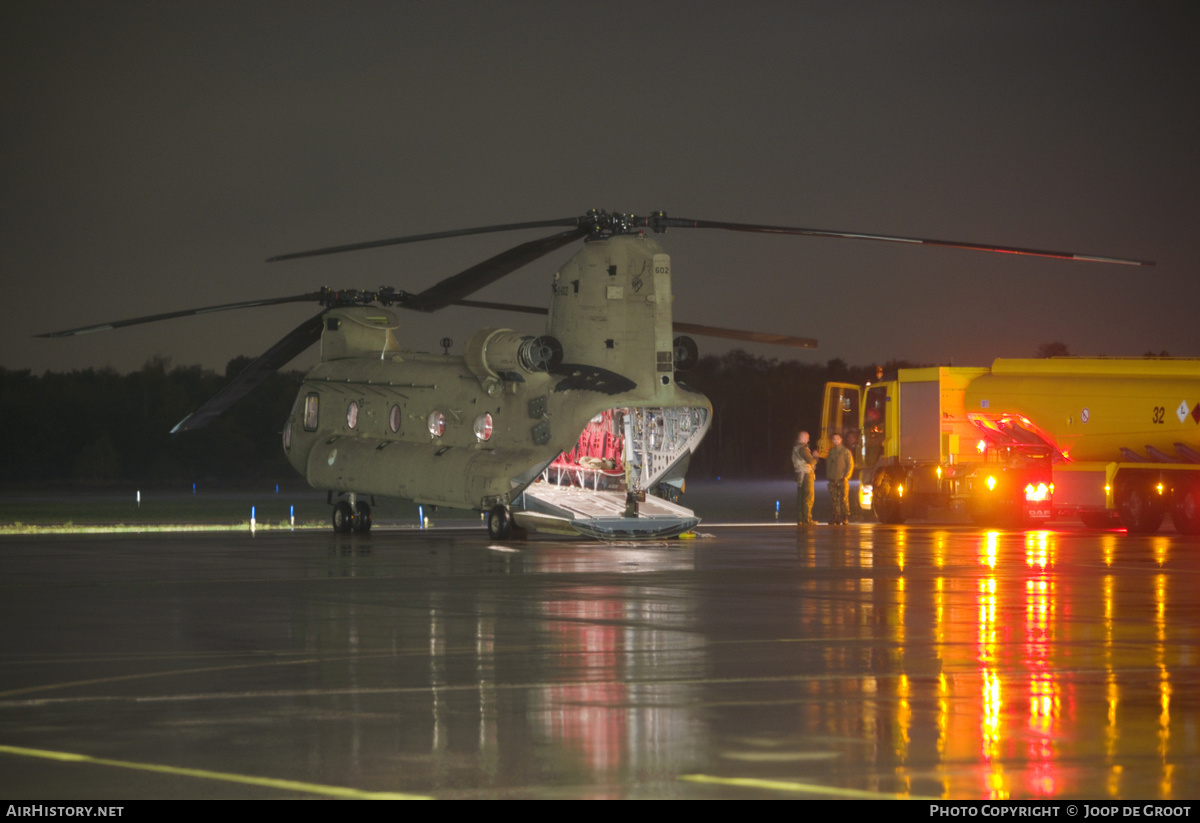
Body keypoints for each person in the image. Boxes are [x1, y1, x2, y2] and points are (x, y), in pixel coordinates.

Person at [826, 432, 854, 525]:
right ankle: (836, 517)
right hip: (833, 479)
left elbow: (850, 465)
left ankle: (845, 517)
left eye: (838, 439)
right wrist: (829, 476)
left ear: (841, 440)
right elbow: (829, 465)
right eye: (834, 439)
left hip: (842, 479)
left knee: (844, 499)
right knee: (834, 499)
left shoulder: (846, 452)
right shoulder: (831, 451)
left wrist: (846, 476)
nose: (836, 441)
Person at [792, 431, 818, 525]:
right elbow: (811, 461)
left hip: (800, 474)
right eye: (807, 437)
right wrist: (815, 457)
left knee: (801, 498)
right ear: (803, 438)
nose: (808, 440)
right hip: (806, 474)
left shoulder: (796, 447)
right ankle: (807, 519)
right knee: (808, 497)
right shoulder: (802, 448)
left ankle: (800, 519)